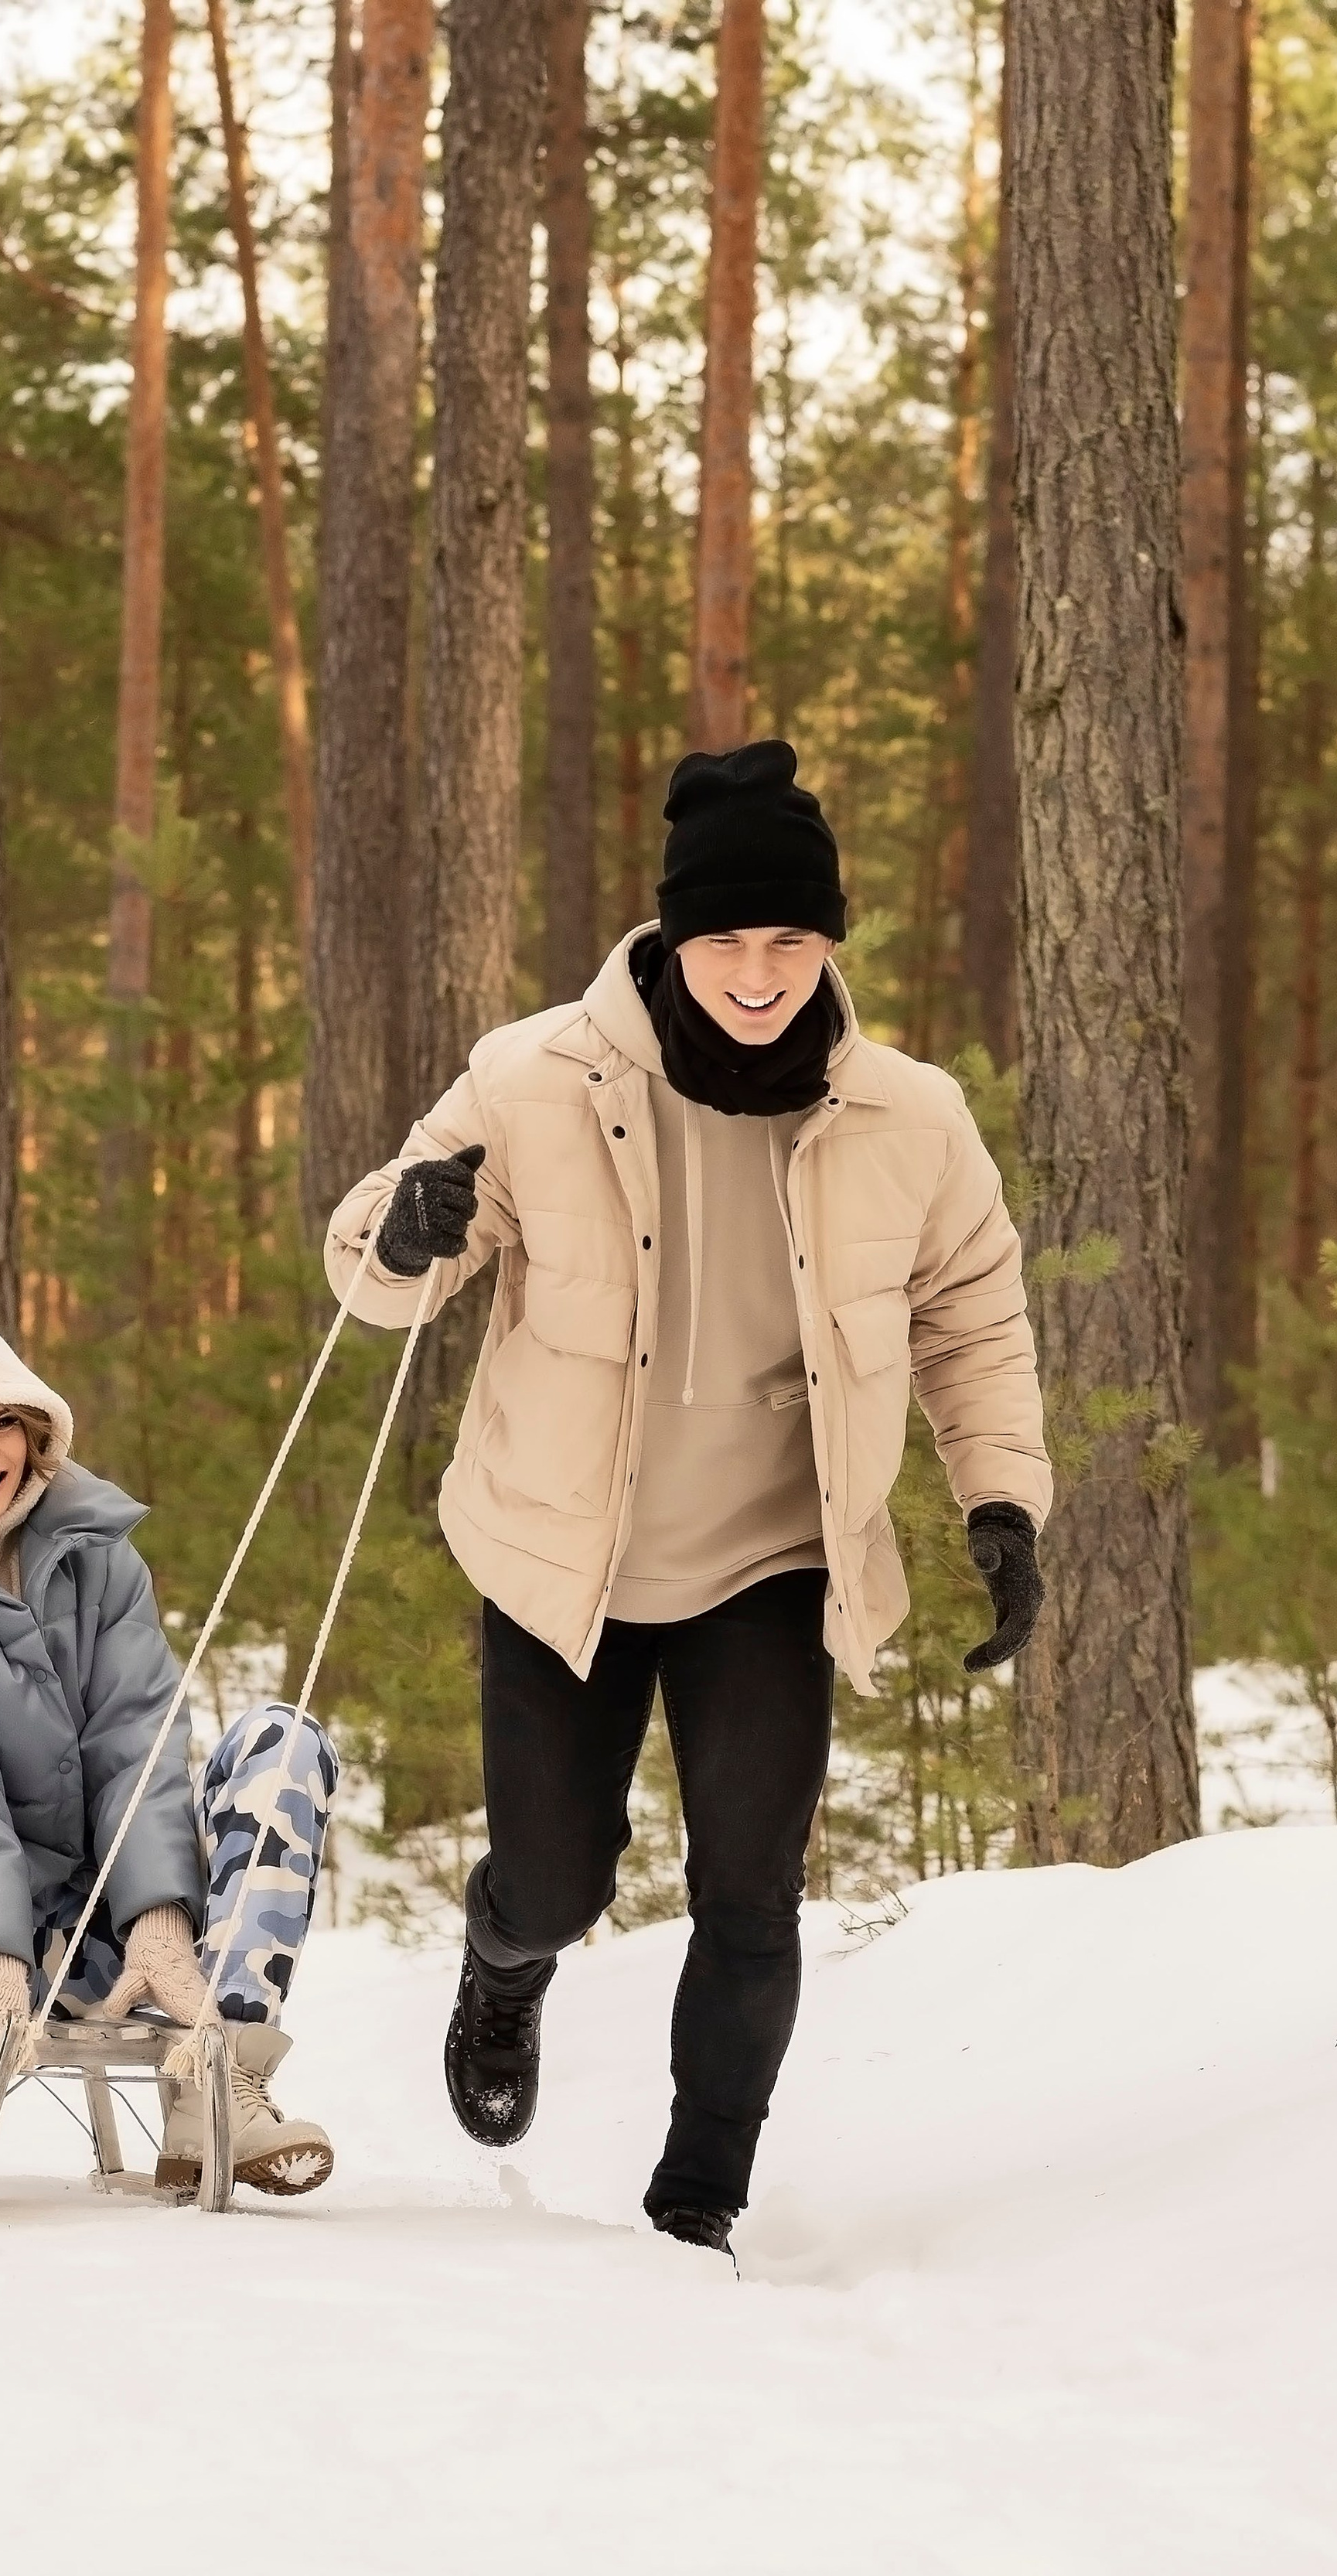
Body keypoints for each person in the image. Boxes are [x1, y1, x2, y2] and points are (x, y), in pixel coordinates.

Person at [327, 739, 1051, 2251]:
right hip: (558, 1548)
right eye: (728, 939)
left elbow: (970, 1321)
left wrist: (1000, 1505)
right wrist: (406, 1231)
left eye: (791, 940)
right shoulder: (532, 1078)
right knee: (557, 1875)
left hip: (775, 1560)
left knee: (749, 1897)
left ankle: (696, 2204)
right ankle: (501, 1959)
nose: (758, 972)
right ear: (672, 937)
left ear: (826, 945)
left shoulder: (907, 1119)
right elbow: (376, 1285)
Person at [0, 1284, 337, 2199]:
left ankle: (222, 2077)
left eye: (2, 1424)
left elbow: (137, 1734)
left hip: (105, 1929)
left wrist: (160, 1922)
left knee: (281, 1741)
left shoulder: (98, 1556)